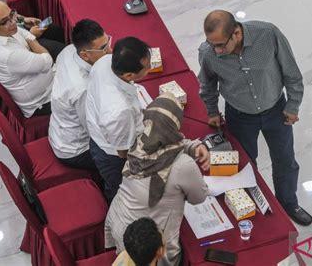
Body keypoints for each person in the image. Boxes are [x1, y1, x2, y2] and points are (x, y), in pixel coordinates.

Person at [198, 10, 312, 226]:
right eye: (212, 44)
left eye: (221, 44)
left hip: (276, 112)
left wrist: (293, 105)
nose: (217, 50)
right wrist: (212, 112)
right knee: (245, 165)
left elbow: (291, 72)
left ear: (237, 34)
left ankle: (288, 203)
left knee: (285, 161)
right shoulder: (209, 53)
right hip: (239, 116)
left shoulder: (268, 34)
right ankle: (253, 207)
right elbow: (207, 85)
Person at [106, 92, 209, 266]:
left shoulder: (139, 139)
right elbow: (199, 197)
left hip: (120, 223)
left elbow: (168, 144)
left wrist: (193, 146)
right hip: (148, 246)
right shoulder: (182, 165)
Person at [86, 36, 152, 204]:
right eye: (147, 67)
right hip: (112, 156)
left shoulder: (105, 61)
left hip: (100, 133)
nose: (150, 68)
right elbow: (123, 152)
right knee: (120, 193)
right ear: (129, 75)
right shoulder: (120, 110)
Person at [49, 19, 111, 170]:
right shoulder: (82, 88)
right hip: (77, 149)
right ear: (84, 55)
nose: (110, 50)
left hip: (60, 127)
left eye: (108, 42)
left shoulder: (69, 50)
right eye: (103, 48)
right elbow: (95, 129)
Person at [0, 0, 53, 117]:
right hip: (44, 100)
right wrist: (33, 42)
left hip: (42, 75)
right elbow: (47, 62)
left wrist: (31, 39)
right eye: (5, 21)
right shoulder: (7, 54)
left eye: (12, 14)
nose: (13, 22)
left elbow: (22, 32)